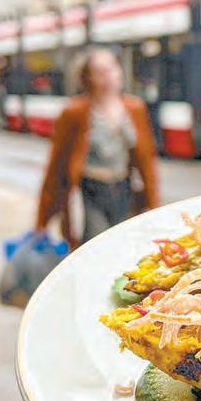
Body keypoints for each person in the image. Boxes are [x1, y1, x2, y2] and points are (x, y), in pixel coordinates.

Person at [36, 47, 159, 249]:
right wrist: (41, 222)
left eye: (113, 67)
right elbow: (55, 167)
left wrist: (154, 207)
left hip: (124, 189)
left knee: (126, 246)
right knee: (97, 246)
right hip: (91, 191)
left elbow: (147, 163)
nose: (110, 75)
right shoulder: (74, 112)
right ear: (89, 78)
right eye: (101, 72)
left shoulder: (134, 107)